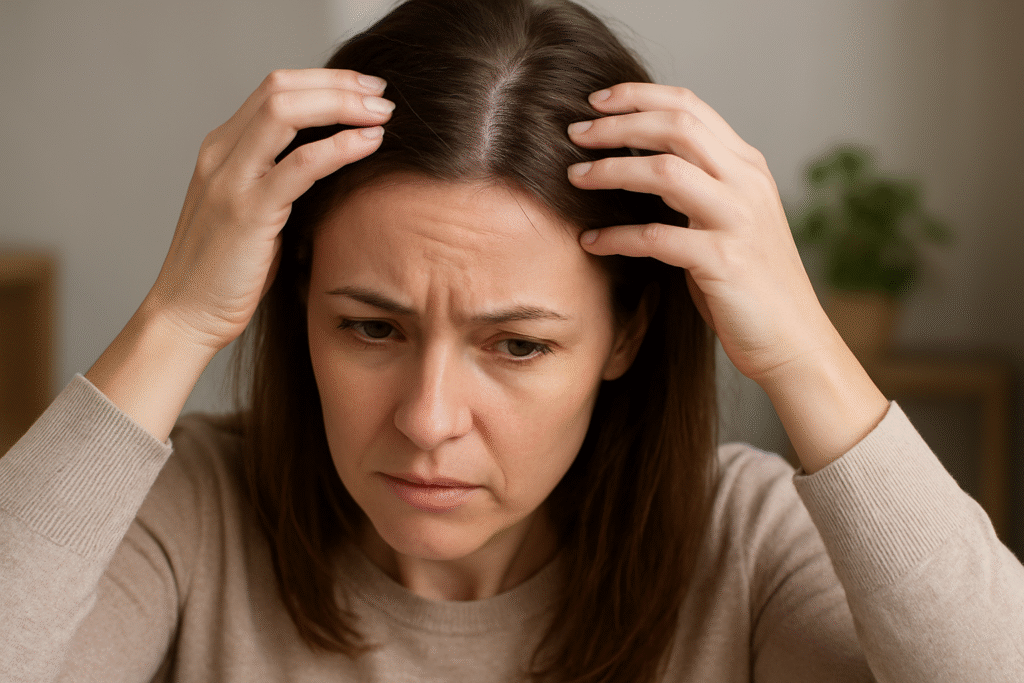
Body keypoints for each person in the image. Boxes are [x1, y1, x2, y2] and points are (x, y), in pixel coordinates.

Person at [1, 0, 1022, 681]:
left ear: (625, 332)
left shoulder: (742, 547)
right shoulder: (193, 517)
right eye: (369, 326)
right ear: (292, 300)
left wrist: (802, 345)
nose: (429, 419)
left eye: (518, 345)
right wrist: (178, 316)